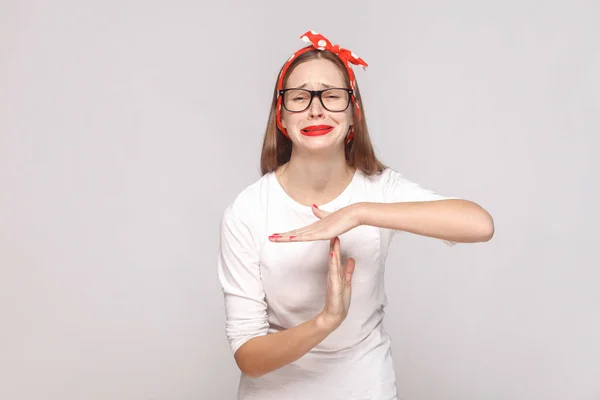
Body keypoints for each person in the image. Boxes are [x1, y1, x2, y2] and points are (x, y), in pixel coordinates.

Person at [217, 30, 494, 400]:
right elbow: (249, 357)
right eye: (299, 98)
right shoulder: (247, 211)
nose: (316, 109)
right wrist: (326, 321)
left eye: (332, 96)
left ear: (353, 113)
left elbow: (479, 224)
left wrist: (360, 212)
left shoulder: (380, 189)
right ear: (281, 117)